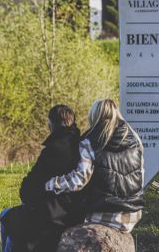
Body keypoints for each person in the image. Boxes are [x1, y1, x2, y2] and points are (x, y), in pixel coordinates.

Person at [44, 99, 144, 235]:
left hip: (104, 216)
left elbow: (79, 180)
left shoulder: (90, 140)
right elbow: (140, 177)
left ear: (94, 116)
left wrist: (50, 184)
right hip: (133, 215)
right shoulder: (135, 139)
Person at [0, 105, 85, 252]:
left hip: (53, 215)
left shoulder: (52, 151)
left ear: (50, 124)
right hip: (76, 213)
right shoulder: (83, 146)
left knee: (6, 216)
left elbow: (27, 190)